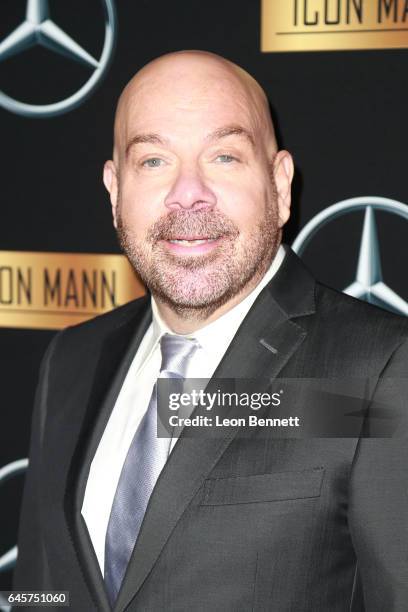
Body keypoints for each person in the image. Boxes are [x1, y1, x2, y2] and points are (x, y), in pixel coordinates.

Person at [14, 50, 408, 611]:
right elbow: (41, 591)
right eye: (153, 161)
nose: (188, 194)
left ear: (280, 184)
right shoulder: (72, 360)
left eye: (224, 156)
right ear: (114, 191)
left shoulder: (381, 372)